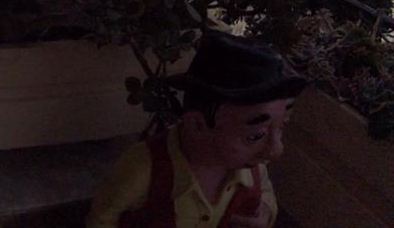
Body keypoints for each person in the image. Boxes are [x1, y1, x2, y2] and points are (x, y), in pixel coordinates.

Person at [86, 30, 306, 228]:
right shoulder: (143, 168)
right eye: (256, 135)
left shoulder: (253, 169)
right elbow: (103, 218)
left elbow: (266, 194)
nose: (276, 149)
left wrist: (266, 213)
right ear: (197, 124)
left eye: (281, 128)